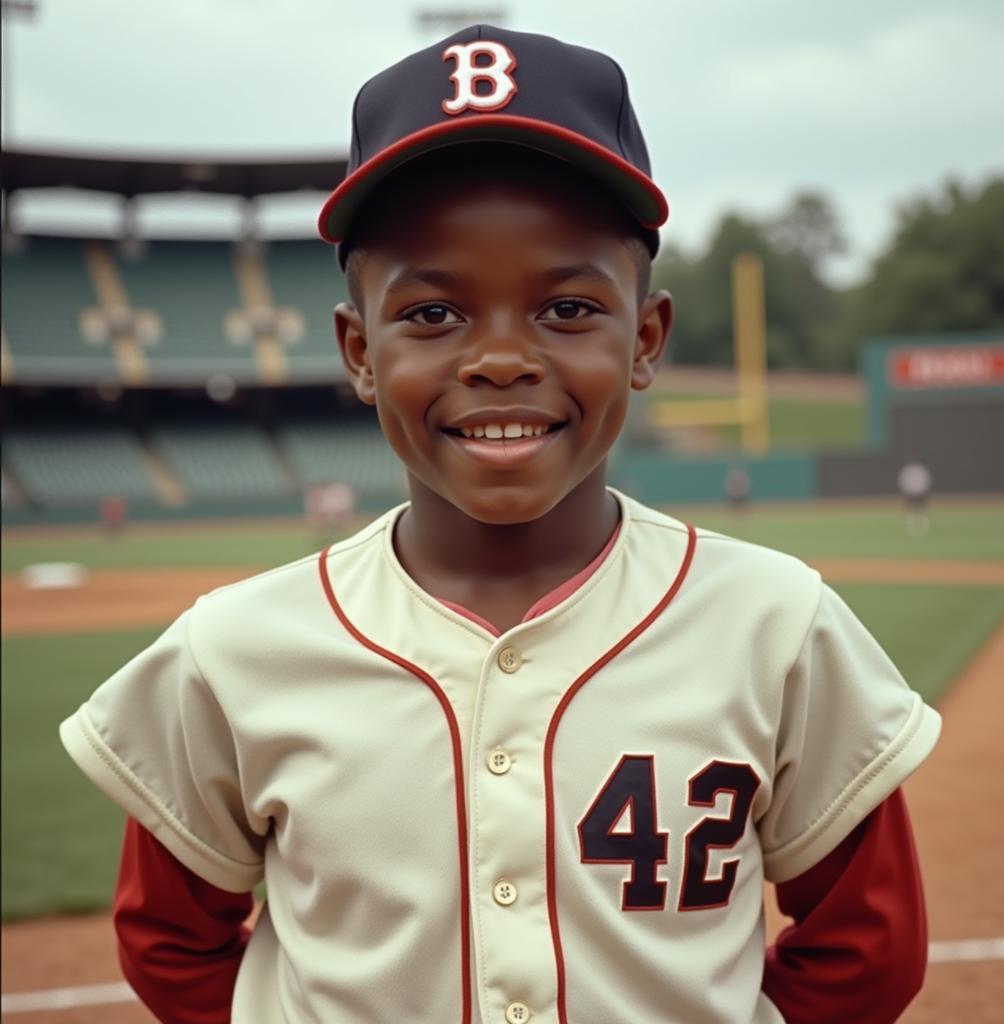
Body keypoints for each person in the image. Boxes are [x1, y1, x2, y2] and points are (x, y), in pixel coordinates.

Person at [60, 25, 941, 1024]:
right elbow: (170, 939)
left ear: (645, 337)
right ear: (358, 349)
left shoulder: (776, 622)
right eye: (432, 316)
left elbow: (868, 945)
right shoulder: (233, 650)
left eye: (567, 308)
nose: (500, 359)